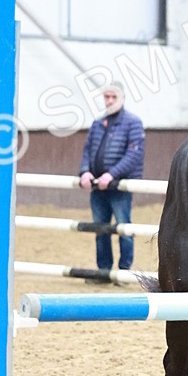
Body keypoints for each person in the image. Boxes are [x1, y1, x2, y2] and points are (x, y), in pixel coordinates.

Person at [79, 83, 145, 272]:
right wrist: (85, 171)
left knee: (124, 228)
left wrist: (111, 174)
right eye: (106, 97)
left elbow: (134, 155)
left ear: (122, 98)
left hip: (119, 187)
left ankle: (124, 270)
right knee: (100, 230)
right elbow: (87, 150)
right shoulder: (98, 123)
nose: (109, 101)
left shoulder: (133, 122)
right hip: (97, 187)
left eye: (113, 97)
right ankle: (103, 269)